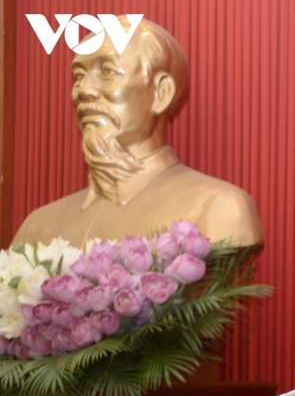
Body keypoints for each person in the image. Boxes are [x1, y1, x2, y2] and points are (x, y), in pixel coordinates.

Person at [12, 16, 263, 249]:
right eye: (79, 75)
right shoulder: (36, 228)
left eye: (107, 71)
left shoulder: (218, 210)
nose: (83, 91)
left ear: (161, 93)